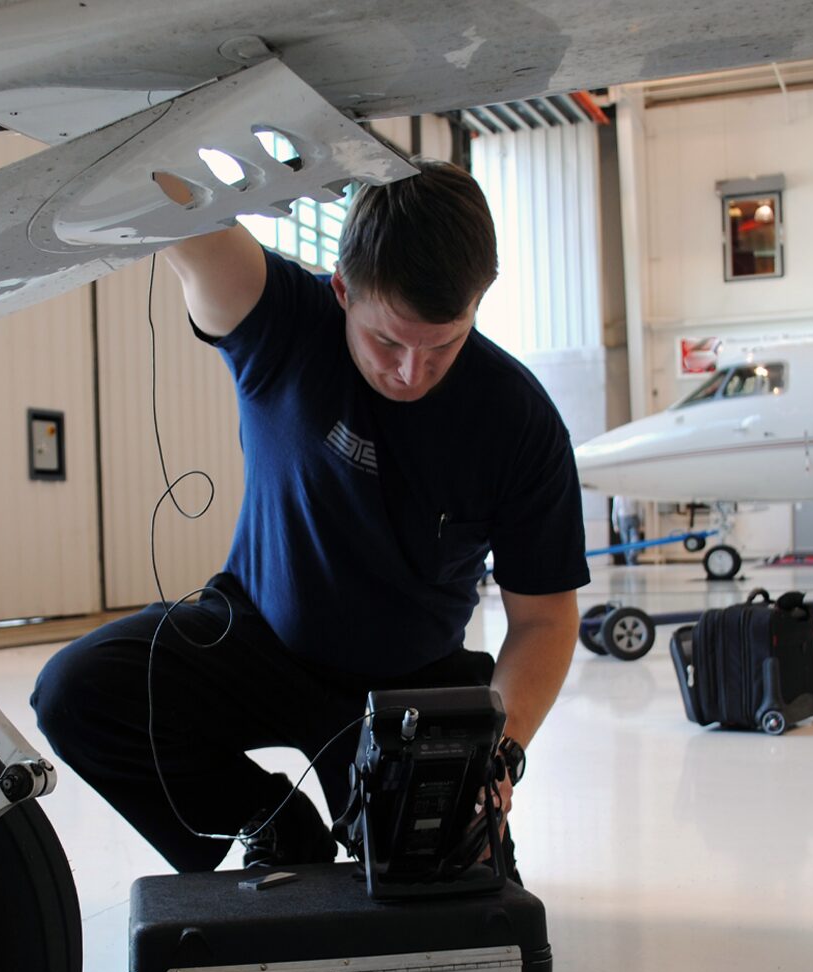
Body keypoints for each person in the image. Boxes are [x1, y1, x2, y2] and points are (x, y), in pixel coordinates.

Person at [31, 160, 588, 876]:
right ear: (343, 289)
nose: (410, 373)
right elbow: (159, 182)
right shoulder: (279, 320)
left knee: (446, 900)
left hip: (407, 686)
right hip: (256, 638)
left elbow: (545, 618)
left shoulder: (518, 422)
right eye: (388, 342)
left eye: (442, 345)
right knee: (77, 694)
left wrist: (500, 752)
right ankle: (270, 820)